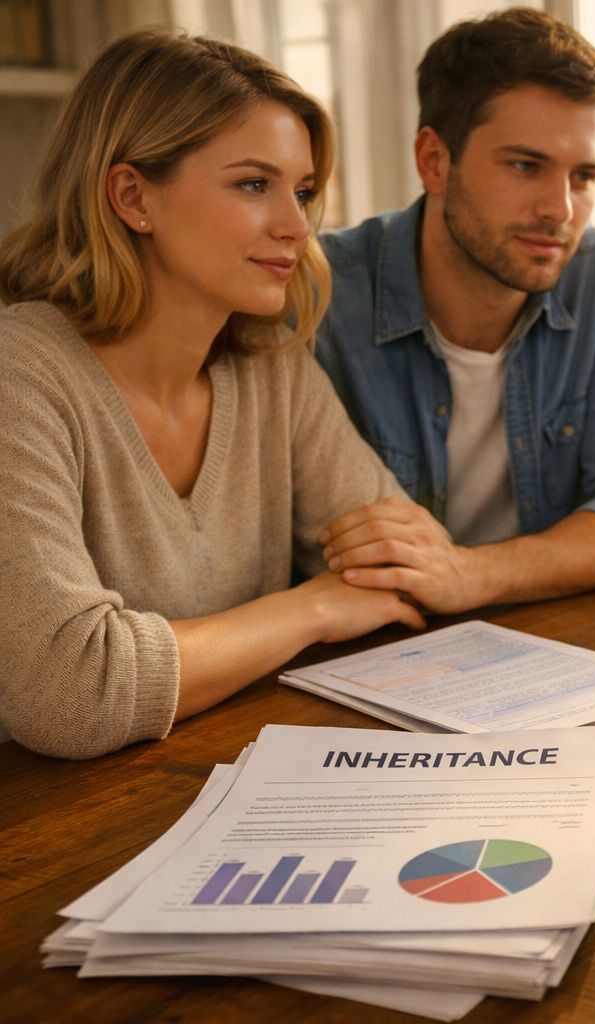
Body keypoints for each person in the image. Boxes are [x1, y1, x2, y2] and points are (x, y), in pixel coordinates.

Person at [0, 32, 425, 761]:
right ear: (133, 197)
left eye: (303, 191)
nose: (295, 227)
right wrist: (312, 607)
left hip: (209, 784)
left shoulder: (270, 369)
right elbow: (70, 692)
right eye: (254, 185)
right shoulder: (21, 374)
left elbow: (405, 568)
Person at [314, 8, 595, 614]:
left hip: (538, 647)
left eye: (585, 175)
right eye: (526, 166)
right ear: (434, 161)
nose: (561, 211)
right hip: (360, 654)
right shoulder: (322, 294)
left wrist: (472, 575)